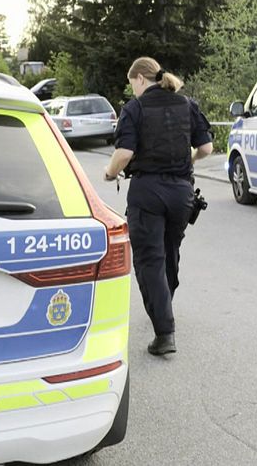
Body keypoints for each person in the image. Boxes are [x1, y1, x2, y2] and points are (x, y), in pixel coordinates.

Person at [103, 57, 213, 356]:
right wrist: (186, 161)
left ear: (139, 78)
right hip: (181, 193)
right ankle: (164, 305)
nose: (133, 90)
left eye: (131, 84)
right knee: (170, 251)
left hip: (147, 192)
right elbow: (206, 148)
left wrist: (110, 173)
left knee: (150, 259)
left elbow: (124, 153)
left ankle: (164, 333)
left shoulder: (134, 109)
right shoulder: (186, 104)